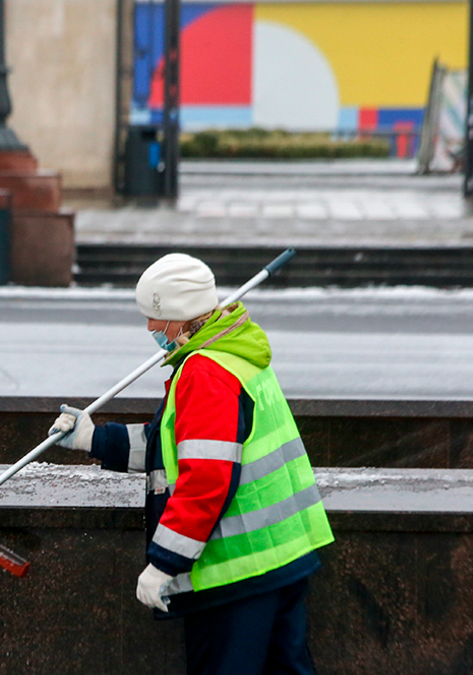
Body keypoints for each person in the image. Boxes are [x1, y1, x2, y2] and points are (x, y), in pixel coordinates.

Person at [49, 253, 334, 675]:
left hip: (237, 571)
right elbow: (172, 448)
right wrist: (95, 439)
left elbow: (204, 479)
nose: (149, 328)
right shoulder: (234, 355)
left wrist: (165, 562)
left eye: (154, 318)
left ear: (179, 319)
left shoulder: (205, 374)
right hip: (283, 555)